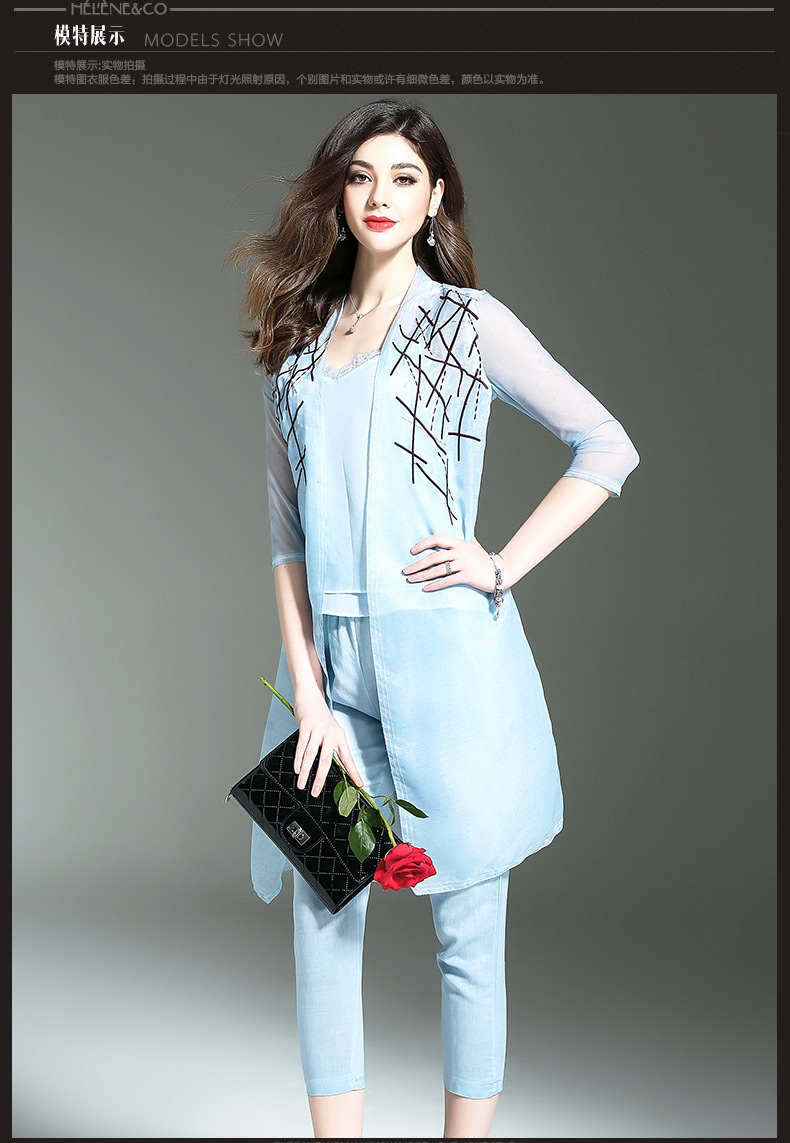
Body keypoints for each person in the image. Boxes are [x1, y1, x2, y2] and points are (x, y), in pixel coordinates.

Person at [227, 99, 639, 1140]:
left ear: (435, 198)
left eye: (404, 177)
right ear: (339, 194)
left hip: (452, 668)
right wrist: (308, 697)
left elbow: (606, 445)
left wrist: (499, 564)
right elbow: (285, 543)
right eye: (361, 176)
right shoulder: (296, 343)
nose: (381, 196)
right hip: (329, 682)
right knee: (322, 925)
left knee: (468, 937)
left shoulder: (468, 323)